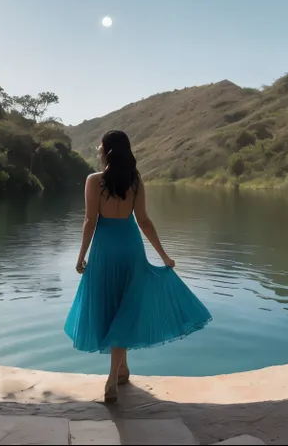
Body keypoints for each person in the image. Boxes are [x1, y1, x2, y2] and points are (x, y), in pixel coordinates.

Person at [64, 130, 212, 403]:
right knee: (126, 306)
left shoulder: (94, 181)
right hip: (131, 248)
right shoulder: (135, 181)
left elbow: (90, 221)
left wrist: (80, 256)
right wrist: (164, 256)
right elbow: (143, 220)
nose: (98, 148)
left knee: (110, 306)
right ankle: (122, 370)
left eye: (100, 145)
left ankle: (111, 379)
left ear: (106, 151)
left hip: (105, 251)